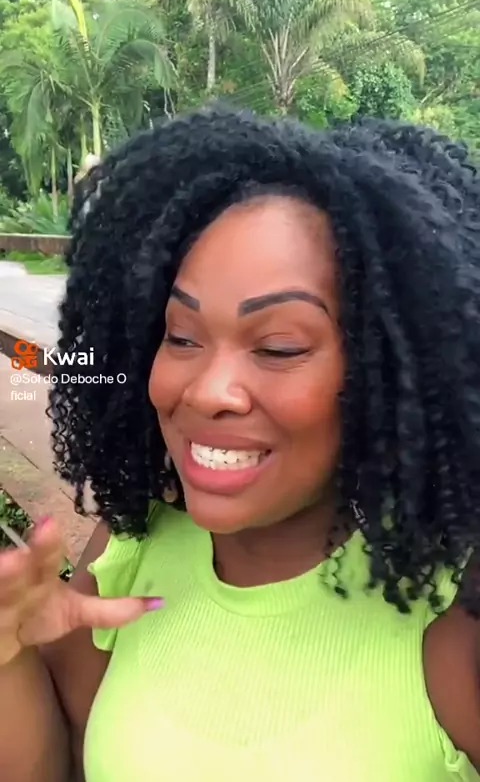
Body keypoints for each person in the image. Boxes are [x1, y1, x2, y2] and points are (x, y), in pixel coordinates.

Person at [1, 105, 480, 782]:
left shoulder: (451, 608)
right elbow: (58, 765)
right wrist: (8, 654)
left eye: (278, 346)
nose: (208, 391)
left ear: (393, 372)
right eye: (182, 337)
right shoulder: (134, 548)